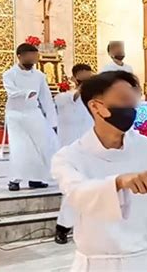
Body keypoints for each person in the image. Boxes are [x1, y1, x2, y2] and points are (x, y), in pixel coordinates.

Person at [51, 71, 147, 271]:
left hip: (142, 263)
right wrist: (118, 182)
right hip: (94, 264)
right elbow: (78, 193)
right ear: (96, 107)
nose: (129, 109)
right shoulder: (68, 157)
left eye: (132, 101)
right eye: (122, 101)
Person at [2, 43, 59, 191]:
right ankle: (15, 180)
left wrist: (53, 121)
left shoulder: (40, 76)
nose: (33, 59)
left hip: (34, 113)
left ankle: (36, 178)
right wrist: (27, 93)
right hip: (16, 115)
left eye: (35, 56)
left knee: (41, 145)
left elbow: (46, 99)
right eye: (30, 56)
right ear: (19, 56)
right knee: (19, 147)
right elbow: (11, 92)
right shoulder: (9, 74)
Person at [53, 63, 94, 244]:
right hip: (71, 153)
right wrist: (79, 90)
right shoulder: (63, 98)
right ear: (74, 78)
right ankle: (62, 228)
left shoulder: (95, 99)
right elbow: (72, 98)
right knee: (73, 190)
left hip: (93, 150)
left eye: (89, 77)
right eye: (82, 77)